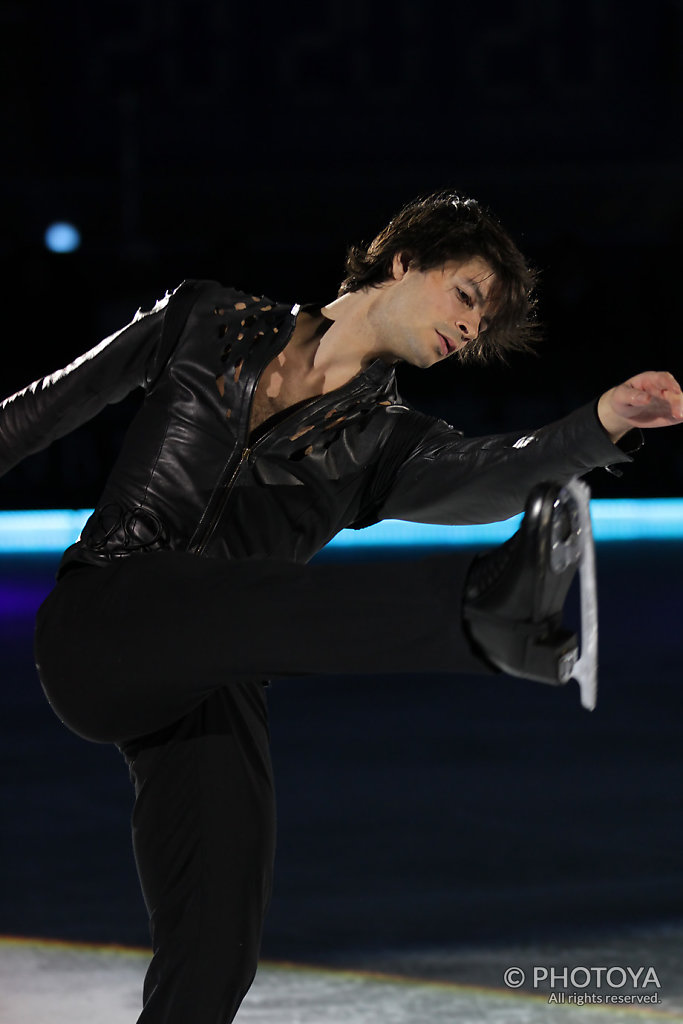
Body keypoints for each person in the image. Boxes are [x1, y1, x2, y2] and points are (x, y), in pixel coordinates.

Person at [1, 190, 681, 1024]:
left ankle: (483, 615)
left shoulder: (383, 441)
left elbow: (492, 472)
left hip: (216, 679)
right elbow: (34, 415)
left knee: (215, 950)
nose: (469, 330)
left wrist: (602, 422)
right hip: (102, 620)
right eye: (465, 296)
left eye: (481, 326)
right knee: (217, 593)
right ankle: (479, 614)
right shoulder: (203, 317)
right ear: (402, 260)